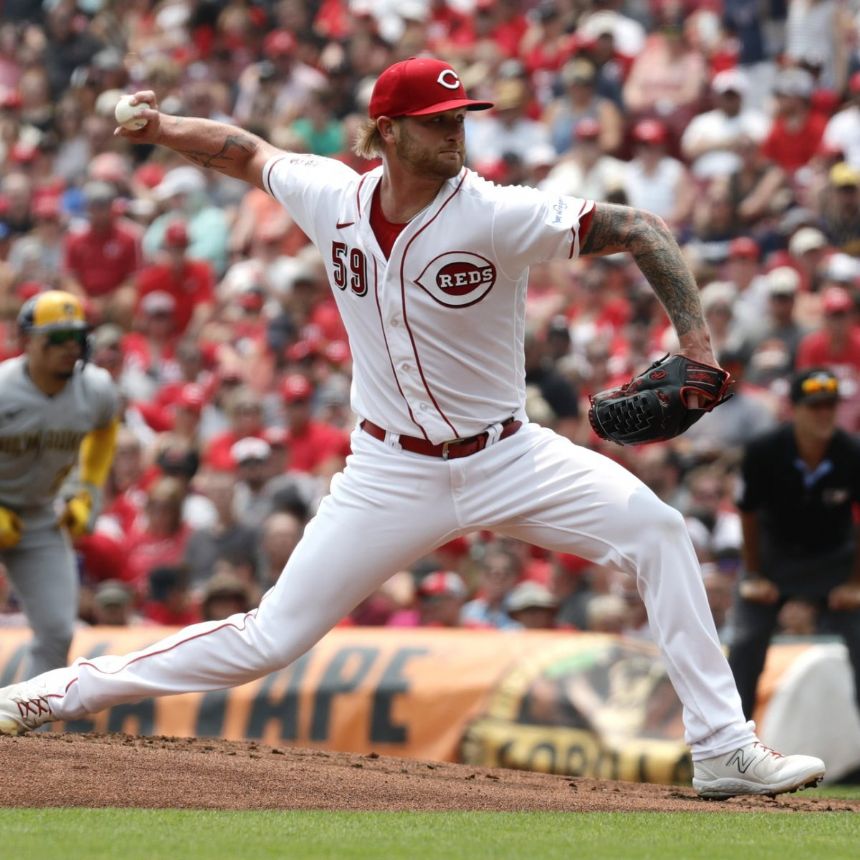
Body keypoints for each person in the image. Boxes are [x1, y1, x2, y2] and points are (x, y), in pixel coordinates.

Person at [0, 56, 825, 799]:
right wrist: (163, 126)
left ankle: (722, 747)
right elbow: (244, 152)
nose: (456, 132)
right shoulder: (333, 196)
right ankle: (60, 691)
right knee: (270, 638)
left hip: (511, 455)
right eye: (438, 122)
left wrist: (695, 343)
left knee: (659, 531)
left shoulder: (497, 213)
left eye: (462, 117)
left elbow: (641, 228)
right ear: (387, 131)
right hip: (389, 473)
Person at [728, 368, 860, 720]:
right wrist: (754, 574)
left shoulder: (853, 452)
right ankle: (732, 746)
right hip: (774, 559)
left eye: (830, 405)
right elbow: (748, 512)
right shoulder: (763, 451)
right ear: (795, 409)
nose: (825, 414)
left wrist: (855, 583)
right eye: (815, 406)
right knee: (744, 642)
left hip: (835, 559)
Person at [0, 290, 119, 676]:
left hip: (37, 515)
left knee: (56, 632)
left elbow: (105, 432)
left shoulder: (96, 389)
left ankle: (25, 732)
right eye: (56, 337)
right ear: (27, 341)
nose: (69, 347)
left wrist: (87, 493)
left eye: (77, 336)